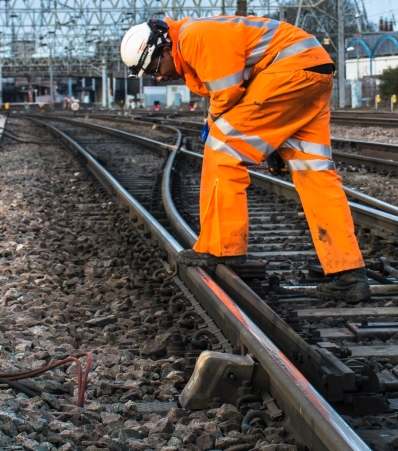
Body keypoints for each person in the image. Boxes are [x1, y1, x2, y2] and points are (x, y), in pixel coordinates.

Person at [119, 16, 371, 302]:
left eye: (154, 68)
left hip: (290, 72)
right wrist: (272, 143)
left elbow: (227, 97)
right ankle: (350, 275)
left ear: (163, 48)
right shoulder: (196, 38)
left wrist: (212, 124)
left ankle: (222, 247)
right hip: (314, 71)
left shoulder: (193, 37)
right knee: (315, 173)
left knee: (221, 147)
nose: (159, 77)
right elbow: (247, 95)